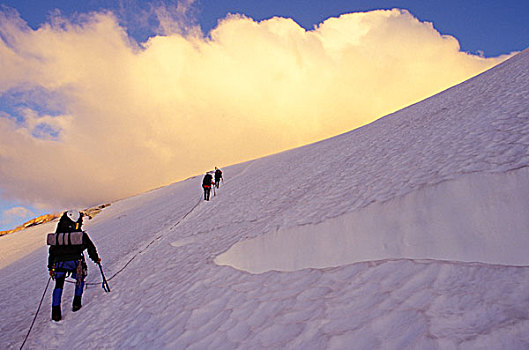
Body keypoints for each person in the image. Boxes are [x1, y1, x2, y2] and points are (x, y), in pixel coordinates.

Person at [48, 210, 101, 321]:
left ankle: (56, 313)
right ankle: (76, 303)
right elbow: (91, 248)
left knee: (58, 285)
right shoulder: (80, 235)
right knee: (80, 280)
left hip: (58, 263)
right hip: (76, 262)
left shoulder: (58, 236)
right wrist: (96, 259)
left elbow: (52, 252)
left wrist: (50, 267)